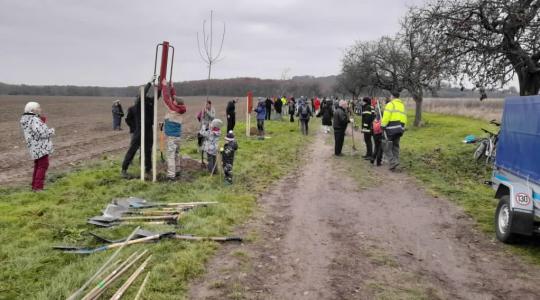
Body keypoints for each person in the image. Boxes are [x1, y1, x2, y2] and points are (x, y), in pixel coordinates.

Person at [121, 78, 158, 178]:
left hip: (149, 130)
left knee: (148, 151)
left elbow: (157, 96)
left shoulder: (150, 103)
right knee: (132, 150)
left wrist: (160, 86)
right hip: (139, 131)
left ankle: (148, 169)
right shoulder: (137, 104)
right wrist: (149, 83)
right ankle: (124, 169)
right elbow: (143, 93)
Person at [20, 101, 55, 191]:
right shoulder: (34, 119)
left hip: (34, 147)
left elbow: (35, 130)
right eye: (38, 108)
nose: (40, 109)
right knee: (43, 165)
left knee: (38, 165)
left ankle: (34, 186)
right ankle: (38, 188)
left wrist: (42, 121)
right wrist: (51, 131)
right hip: (40, 147)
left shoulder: (27, 118)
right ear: (33, 110)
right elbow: (41, 133)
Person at [161, 80, 187, 180]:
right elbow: (173, 98)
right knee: (176, 154)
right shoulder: (179, 108)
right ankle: (178, 170)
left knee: (171, 156)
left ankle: (171, 175)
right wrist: (172, 88)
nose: (173, 100)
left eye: (174, 100)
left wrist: (164, 86)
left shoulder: (173, 109)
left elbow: (167, 99)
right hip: (177, 137)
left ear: (176, 103)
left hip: (171, 138)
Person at [381, 93, 407, 171]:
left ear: (392, 96)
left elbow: (386, 116)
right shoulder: (402, 105)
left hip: (390, 129)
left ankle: (392, 162)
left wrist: (383, 125)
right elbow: (405, 118)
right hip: (400, 129)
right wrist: (403, 128)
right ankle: (396, 162)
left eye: (390, 96)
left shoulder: (390, 104)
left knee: (386, 146)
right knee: (396, 146)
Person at [371, 101, 383, 166]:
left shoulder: (374, 116)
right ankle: (378, 161)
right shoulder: (382, 115)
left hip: (375, 133)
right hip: (381, 133)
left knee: (376, 146)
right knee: (380, 148)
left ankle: (373, 158)